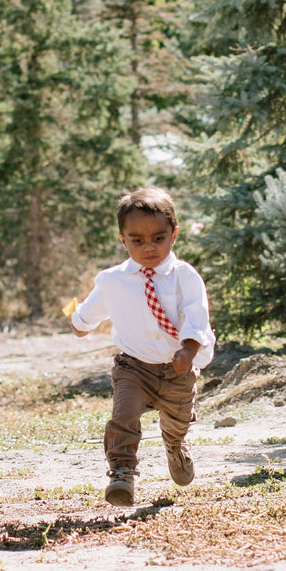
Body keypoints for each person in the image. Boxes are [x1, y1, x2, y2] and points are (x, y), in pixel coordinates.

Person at [70, 186, 215, 507]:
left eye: (158, 238)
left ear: (173, 234)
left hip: (177, 367)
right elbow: (86, 315)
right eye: (137, 240)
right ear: (123, 240)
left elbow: (196, 315)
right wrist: (78, 323)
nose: (149, 247)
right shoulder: (112, 280)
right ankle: (122, 473)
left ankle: (175, 447)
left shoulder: (184, 276)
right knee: (124, 416)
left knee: (177, 420)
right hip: (133, 367)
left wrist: (189, 351)